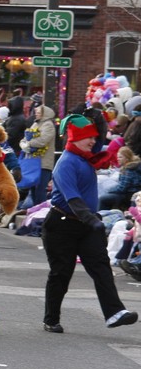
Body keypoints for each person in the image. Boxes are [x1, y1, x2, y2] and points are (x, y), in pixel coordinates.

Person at [41, 114, 138, 333]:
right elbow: (72, 198)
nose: (93, 142)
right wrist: (91, 219)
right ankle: (51, 318)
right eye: (88, 138)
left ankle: (114, 313)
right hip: (62, 225)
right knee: (61, 273)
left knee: (101, 267)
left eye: (94, 138)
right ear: (74, 138)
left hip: (86, 223)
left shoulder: (84, 158)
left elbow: (102, 139)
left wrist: (98, 120)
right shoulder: (65, 163)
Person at [18, 103, 57, 209]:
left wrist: (29, 144)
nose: (36, 114)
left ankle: (41, 212)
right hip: (34, 162)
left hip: (43, 163)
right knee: (33, 189)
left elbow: (43, 140)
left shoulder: (48, 125)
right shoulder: (36, 124)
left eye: (39, 113)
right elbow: (25, 137)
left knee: (40, 190)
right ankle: (35, 211)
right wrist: (23, 144)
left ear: (45, 114)